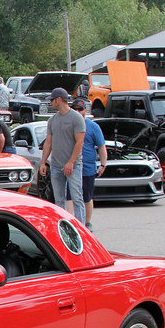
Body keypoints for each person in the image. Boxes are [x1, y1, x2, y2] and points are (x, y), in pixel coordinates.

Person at [39, 87, 86, 225]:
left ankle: (81, 227)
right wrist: (43, 162)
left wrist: (71, 162)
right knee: (59, 199)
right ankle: (63, 226)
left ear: (59, 99)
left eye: (52, 100)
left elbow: (80, 141)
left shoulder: (76, 118)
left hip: (73, 165)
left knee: (77, 198)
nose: (51, 103)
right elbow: (48, 142)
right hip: (56, 165)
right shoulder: (53, 120)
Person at [69, 100, 107, 230]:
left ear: (86, 111)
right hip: (70, 166)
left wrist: (103, 164)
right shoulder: (68, 125)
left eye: (80, 109)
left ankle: (87, 222)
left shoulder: (93, 127)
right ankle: (70, 222)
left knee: (87, 196)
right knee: (69, 195)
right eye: (75, 109)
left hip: (88, 167)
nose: (78, 112)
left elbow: (101, 147)